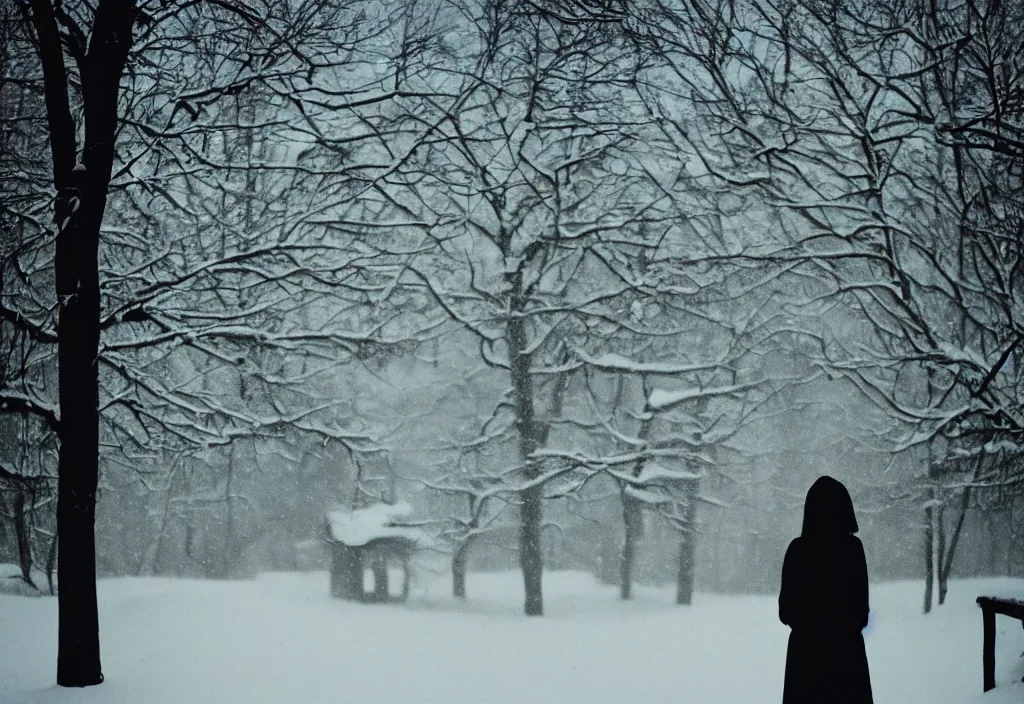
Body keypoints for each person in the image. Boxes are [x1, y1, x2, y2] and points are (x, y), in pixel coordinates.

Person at [779, 475, 874, 704]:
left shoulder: (797, 550)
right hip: (847, 661)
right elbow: (862, 611)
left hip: (805, 662)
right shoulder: (853, 550)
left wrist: (810, 627)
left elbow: (786, 612)